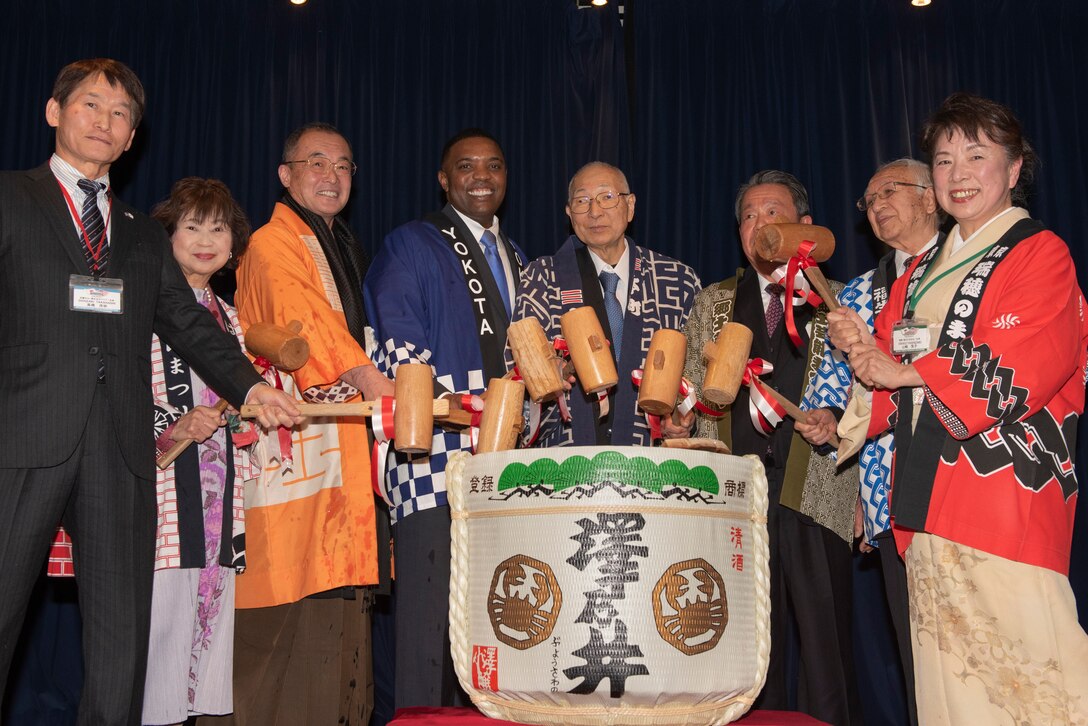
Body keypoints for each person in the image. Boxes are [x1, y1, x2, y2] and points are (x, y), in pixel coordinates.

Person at [0, 58, 299, 726]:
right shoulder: (11, 198)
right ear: (54, 113)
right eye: (90, 106)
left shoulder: (138, 233)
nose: (105, 123)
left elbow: (189, 323)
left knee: (119, 640)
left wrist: (249, 387)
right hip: (22, 437)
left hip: (122, 452)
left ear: (133, 136)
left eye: (120, 114)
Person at [829, 92, 1088, 724]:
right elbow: (888, 373)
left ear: (1014, 168)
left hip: (1002, 489)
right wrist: (864, 354)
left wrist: (904, 369)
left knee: (1031, 670)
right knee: (946, 679)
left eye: (977, 155)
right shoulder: (918, 276)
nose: (959, 173)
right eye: (944, 160)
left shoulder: (1039, 252)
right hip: (924, 493)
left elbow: (1024, 359)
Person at [677, 171, 861, 726]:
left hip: (818, 489)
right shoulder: (714, 302)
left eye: (774, 213)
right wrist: (682, 415)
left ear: (805, 227)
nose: (761, 226)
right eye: (750, 216)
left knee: (827, 648)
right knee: (748, 647)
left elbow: (870, 393)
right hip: (736, 502)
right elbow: (690, 394)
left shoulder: (839, 302)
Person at [225, 122, 390, 726]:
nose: (332, 175)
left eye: (344, 166)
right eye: (316, 162)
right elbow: (306, 326)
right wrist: (376, 384)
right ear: (285, 175)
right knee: (281, 608)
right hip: (293, 446)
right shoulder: (272, 242)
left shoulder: (334, 242)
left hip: (337, 444)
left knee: (333, 602)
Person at [363, 127, 526, 709]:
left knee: (497, 618)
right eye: (466, 166)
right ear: (443, 178)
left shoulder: (518, 258)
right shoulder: (409, 244)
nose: (481, 176)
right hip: (432, 450)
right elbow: (397, 345)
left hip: (505, 464)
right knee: (428, 621)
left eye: (494, 165)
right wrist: (466, 410)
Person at [798, 158, 940, 726]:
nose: (877, 206)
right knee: (915, 648)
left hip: (963, 486)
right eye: (868, 200)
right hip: (890, 497)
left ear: (931, 197)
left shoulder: (971, 271)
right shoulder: (855, 294)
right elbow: (831, 392)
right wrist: (826, 420)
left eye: (890, 192)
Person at [140, 178, 259, 724]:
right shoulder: (140, 310)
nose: (206, 240)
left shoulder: (233, 321)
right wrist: (177, 425)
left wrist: (246, 422)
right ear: (167, 237)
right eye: (192, 226)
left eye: (218, 228)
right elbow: (119, 394)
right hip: (163, 488)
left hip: (221, 494)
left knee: (208, 619)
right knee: (160, 624)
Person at [514, 161, 701, 446]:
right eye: (582, 200)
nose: (594, 211)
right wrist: (547, 375)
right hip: (565, 463)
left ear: (631, 205)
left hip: (651, 465)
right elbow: (517, 374)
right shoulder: (541, 278)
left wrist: (682, 416)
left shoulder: (677, 279)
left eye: (607, 197)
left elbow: (695, 375)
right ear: (569, 213)